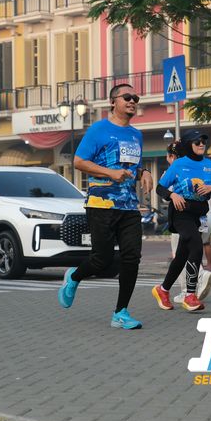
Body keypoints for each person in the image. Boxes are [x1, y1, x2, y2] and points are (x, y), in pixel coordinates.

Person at [57, 83, 153, 330]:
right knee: (102, 259)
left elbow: (131, 166)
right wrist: (110, 173)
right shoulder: (98, 130)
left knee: (131, 257)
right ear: (113, 102)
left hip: (129, 206)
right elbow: (79, 161)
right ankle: (74, 276)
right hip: (101, 204)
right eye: (127, 97)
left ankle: (121, 313)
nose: (132, 101)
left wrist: (144, 172)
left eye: (135, 98)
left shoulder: (136, 135)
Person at [152, 129, 211, 311]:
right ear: (188, 145)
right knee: (196, 247)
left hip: (198, 215)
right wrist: (172, 195)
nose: (201, 144)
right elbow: (160, 188)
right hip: (180, 213)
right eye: (197, 141)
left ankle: (163, 290)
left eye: (203, 141)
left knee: (182, 255)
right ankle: (190, 295)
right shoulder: (179, 164)